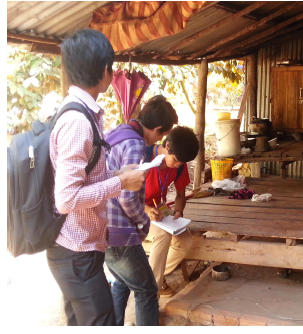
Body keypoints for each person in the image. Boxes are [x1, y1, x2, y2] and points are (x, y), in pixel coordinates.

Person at [47, 29, 146, 326]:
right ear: (105, 71)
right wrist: (122, 183)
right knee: (102, 323)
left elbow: (84, 177)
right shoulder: (78, 121)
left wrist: (118, 173)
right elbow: (66, 199)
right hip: (75, 250)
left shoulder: (81, 112)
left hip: (79, 248)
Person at [104, 95, 179, 325]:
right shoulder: (135, 143)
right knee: (146, 289)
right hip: (120, 232)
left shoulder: (120, 131)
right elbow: (127, 197)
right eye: (162, 134)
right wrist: (142, 222)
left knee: (121, 282)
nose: (161, 139)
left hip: (102, 225)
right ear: (157, 129)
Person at [143, 125, 199, 298]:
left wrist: (178, 212)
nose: (177, 165)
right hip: (135, 209)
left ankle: (148, 278)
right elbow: (122, 193)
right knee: (163, 236)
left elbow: (181, 195)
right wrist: (146, 209)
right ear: (167, 146)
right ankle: (153, 292)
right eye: (175, 160)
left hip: (159, 209)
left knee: (185, 241)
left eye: (181, 163)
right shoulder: (143, 158)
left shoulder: (179, 165)